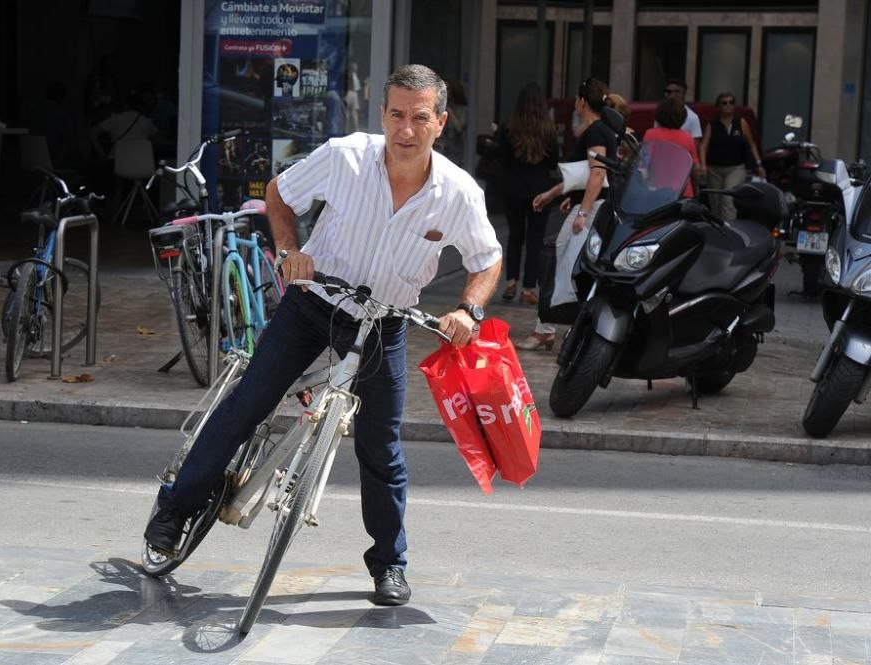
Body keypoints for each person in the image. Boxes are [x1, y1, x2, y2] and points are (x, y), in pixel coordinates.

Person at [144, 64, 502, 607]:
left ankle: (389, 564)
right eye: (397, 115)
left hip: (385, 321)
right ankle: (176, 508)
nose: (406, 129)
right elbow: (280, 194)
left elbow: (488, 258)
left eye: (420, 118)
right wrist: (290, 251)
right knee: (250, 404)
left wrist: (469, 312)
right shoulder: (346, 157)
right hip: (315, 303)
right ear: (383, 115)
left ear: (441, 122)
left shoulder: (456, 193)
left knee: (380, 446)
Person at [527, 78, 615, 351]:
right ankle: (549, 327)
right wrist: (561, 196)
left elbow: (598, 174)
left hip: (591, 209)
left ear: (582, 102)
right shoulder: (596, 131)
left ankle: (552, 327)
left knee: (565, 265)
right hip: (586, 206)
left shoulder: (597, 133)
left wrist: (583, 210)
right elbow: (586, 175)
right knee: (565, 263)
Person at [496, 82, 558, 307]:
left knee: (515, 236)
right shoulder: (548, 129)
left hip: (513, 187)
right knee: (536, 239)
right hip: (540, 189)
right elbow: (553, 162)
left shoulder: (508, 127)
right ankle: (529, 288)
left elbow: (502, 159)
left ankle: (511, 281)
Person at [700, 91, 765, 221]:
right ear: (718, 107)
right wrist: (702, 166)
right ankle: (717, 229)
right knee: (715, 202)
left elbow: (751, 144)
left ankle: (729, 230)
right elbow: (703, 146)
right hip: (714, 169)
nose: (728, 105)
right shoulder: (712, 124)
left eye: (731, 102)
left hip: (735, 168)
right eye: (724, 103)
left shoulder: (741, 123)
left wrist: (758, 164)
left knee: (728, 200)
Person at [644, 96, 700, 198]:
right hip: (683, 192)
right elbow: (695, 169)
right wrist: (696, 189)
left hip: (657, 192)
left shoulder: (651, 134)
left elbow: (644, 163)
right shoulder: (687, 138)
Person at [661, 78, 702, 148]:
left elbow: (695, 145)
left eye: (677, 91)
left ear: (684, 92)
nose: (672, 95)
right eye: (669, 92)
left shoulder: (693, 117)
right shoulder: (660, 115)